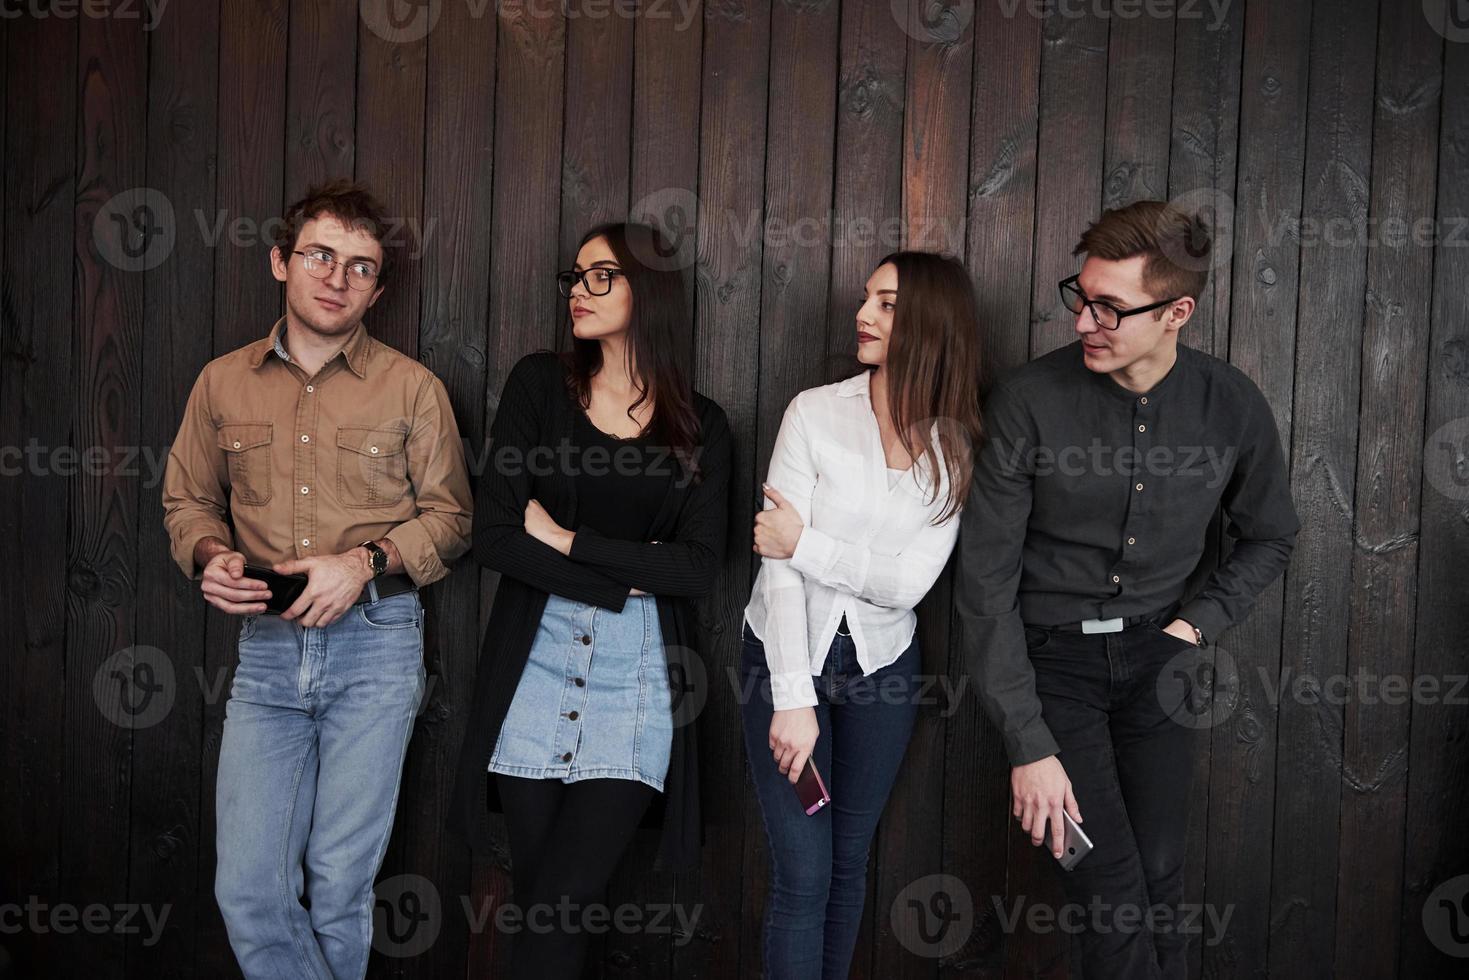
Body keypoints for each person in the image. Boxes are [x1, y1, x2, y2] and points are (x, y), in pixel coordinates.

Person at [957, 200, 1299, 979]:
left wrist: (1194, 627)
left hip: (1161, 666)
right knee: (1108, 893)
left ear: (1176, 312)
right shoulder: (1025, 401)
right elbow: (984, 587)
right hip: (1052, 672)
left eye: (1110, 307)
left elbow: (1270, 533)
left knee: (1159, 881)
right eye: (1080, 298)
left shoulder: (1230, 403)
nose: (1084, 322)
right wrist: (1027, 741)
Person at [161, 179, 473, 979]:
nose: (337, 278)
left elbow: (453, 519)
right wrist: (210, 554)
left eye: (360, 267)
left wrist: (362, 561)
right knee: (248, 890)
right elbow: (189, 500)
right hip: (265, 650)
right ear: (280, 261)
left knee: (339, 889)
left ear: (377, 287)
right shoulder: (220, 383)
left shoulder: (412, 389)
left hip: (377, 645)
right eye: (320, 256)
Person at [448, 222, 733, 979]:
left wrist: (569, 542)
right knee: (543, 901)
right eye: (574, 276)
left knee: (564, 901)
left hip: (636, 678)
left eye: (600, 276)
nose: (578, 290)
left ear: (652, 290)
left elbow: (698, 570)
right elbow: (496, 538)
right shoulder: (539, 385)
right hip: (532, 666)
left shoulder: (703, 426)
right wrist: (632, 574)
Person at [740, 251, 983, 978]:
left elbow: (907, 585)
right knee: (804, 875)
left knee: (847, 866)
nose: (863, 315)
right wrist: (792, 699)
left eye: (885, 304)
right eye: (866, 299)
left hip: (883, 672)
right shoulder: (813, 413)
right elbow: (775, 569)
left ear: (929, 325)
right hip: (784, 664)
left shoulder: (953, 447)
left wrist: (805, 540)